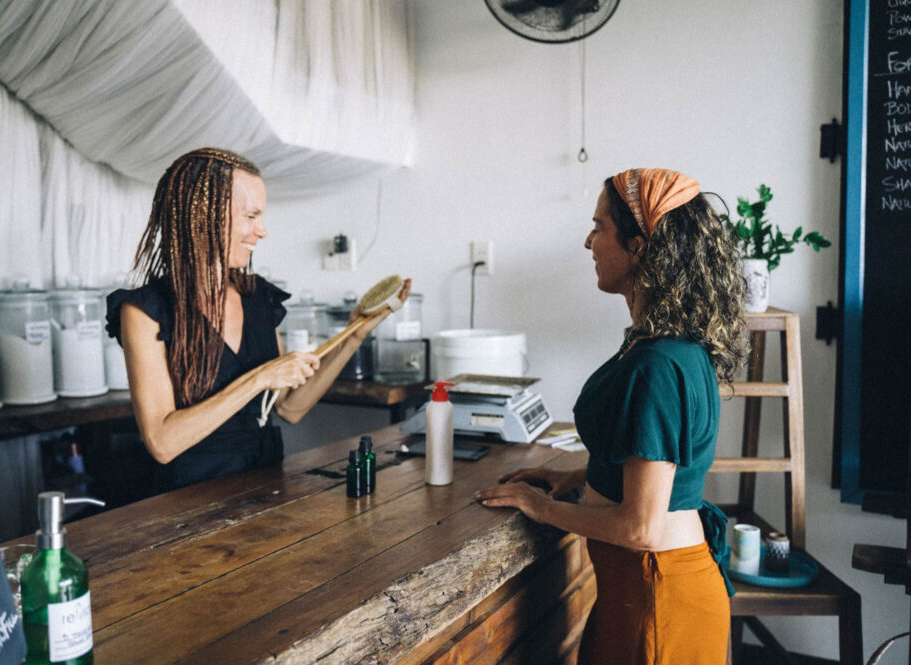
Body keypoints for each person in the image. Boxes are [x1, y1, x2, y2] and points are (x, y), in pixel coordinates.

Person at [475, 168, 747, 664]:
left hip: (658, 594)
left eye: (599, 227)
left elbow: (641, 528)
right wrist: (581, 476)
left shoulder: (657, 363)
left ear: (639, 247)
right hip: (642, 587)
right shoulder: (669, 346)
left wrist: (539, 507)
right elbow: (659, 465)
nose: (588, 242)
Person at [106, 147, 410, 493]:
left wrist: (355, 333)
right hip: (187, 496)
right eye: (251, 216)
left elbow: (289, 407)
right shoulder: (144, 310)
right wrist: (260, 377)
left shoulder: (258, 297)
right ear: (202, 216)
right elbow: (162, 442)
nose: (262, 230)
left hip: (266, 484)